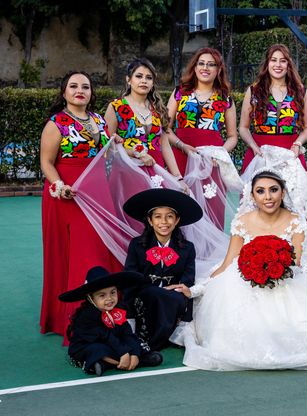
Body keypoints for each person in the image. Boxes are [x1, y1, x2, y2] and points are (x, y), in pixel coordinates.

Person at [168, 168, 307, 371]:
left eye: (273, 190)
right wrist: (197, 290)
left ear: (282, 193)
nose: (268, 197)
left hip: (287, 274)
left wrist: (272, 269)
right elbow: (227, 263)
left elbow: (297, 261)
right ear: (252, 196)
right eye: (261, 191)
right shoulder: (242, 221)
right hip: (246, 277)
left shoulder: (295, 221)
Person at [39, 71, 123, 338]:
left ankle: (109, 312)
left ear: (91, 93)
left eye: (85, 87)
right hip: (68, 194)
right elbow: (46, 163)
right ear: (64, 92)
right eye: (73, 86)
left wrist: (126, 149)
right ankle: (75, 320)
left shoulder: (99, 120)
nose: (79, 90)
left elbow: (109, 154)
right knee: (79, 253)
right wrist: (59, 186)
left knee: (101, 249)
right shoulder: (56, 123)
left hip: (97, 192)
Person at [166, 48, 239, 229]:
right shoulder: (179, 92)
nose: (205, 68)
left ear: (218, 70)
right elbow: (165, 129)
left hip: (211, 162)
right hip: (181, 156)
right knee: (179, 206)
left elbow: (232, 137)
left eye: (211, 64)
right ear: (195, 67)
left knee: (211, 208)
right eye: (201, 63)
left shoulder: (225, 98)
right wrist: (182, 146)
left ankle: (209, 254)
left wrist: (220, 154)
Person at [122, 188, 201, 351]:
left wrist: (179, 288)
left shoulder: (187, 248)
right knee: (153, 295)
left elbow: (188, 278)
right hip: (145, 295)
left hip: (173, 296)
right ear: (150, 221)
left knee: (171, 298)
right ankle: (153, 342)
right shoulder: (137, 245)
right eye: (157, 217)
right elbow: (130, 276)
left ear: (177, 220)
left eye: (169, 216)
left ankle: (150, 344)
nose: (164, 222)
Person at [60, 266, 163, 376]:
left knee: (137, 343)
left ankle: (110, 364)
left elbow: (127, 333)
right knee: (98, 349)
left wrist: (134, 354)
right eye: (102, 295)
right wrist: (123, 352)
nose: (109, 299)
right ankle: (126, 362)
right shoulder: (87, 315)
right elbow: (105, 336)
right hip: (90, 344)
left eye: (112, 293)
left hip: (115, 343)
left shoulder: (118, 310)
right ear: (90, 298)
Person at [104, 58, 183, 179]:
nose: (144, 81)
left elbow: (165, 145)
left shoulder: (158, 109)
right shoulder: (116, 107)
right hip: (128, 171)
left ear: (152, 83)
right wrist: (135, 153)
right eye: (139, 76)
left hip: (157, 170)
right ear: (129, 80)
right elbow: (107, 146)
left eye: (149, 78)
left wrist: (178, 177)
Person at [238, 44, 307, 171]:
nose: (278, 65)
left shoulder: (300, 92)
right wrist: (253, 146)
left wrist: (298, 144)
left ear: (288, 65)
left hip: (290, 154)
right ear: (267, 64)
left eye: (283, 61)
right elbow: (243, 128)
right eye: (273, 60)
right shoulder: (254, 91)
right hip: (260, 153)